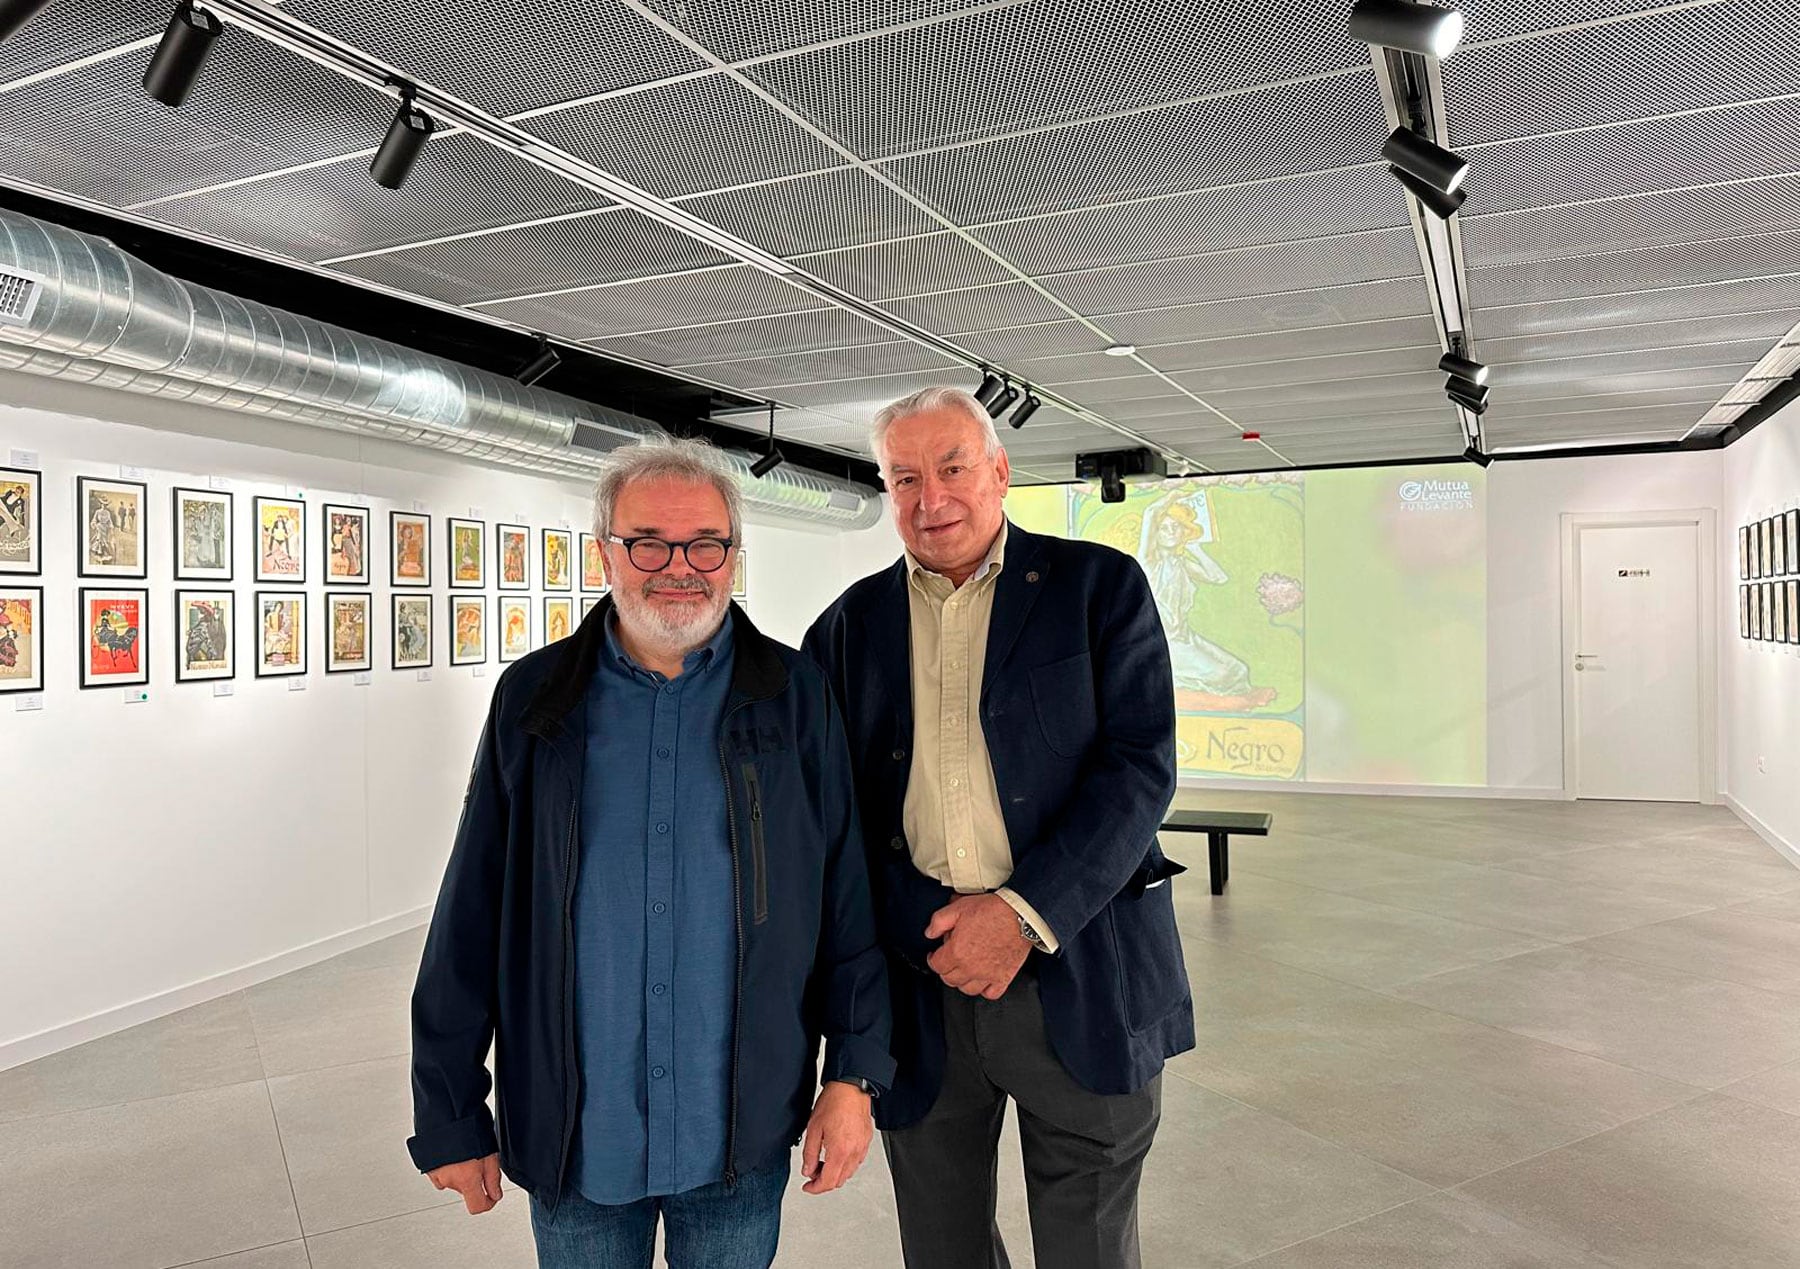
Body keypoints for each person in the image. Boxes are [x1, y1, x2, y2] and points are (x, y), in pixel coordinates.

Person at [408, 438, 893, 1269]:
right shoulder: (534, 699)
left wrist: (852, 1078)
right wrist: (451, 1109)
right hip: (578, 1138)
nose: (681, 566)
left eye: (707, 542)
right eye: (649, 543)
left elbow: (845, 897)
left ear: (735, 555)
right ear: (605, 551)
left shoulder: (794, 696)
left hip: (739, 1126)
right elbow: (472, 912)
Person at [803, 387, 1189, 1269]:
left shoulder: (1099, 590)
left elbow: (1139, 770)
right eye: (905, 477)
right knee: (942, 1248)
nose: (930, 498)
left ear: (1000, 471)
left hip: (1083, 967)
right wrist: (925, 921)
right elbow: (835, 814)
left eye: (952, 468)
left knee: (1088, 1246)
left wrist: (1019, 913)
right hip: (920, 979)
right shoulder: (847, 629)